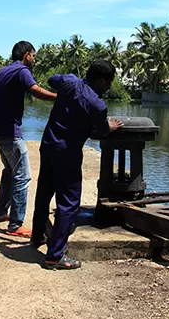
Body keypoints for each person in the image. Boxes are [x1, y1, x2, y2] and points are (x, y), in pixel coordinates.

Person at [31, 60, 123, 269]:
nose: (109, 87)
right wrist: (109, 126)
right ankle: (55, 255)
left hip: (48, 145)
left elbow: (52, 79)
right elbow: (99, 132)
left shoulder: (69, 83)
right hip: (68, 152)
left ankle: (38, 237)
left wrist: (70, 80)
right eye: (109, 82)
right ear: (101, 80)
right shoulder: (98, 105)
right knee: (69, 202)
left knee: (44, 192)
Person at [0, 41, 56, 238]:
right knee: (23, 175)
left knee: (9, 171)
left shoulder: (1, 72)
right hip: (8, 131)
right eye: (34, 55)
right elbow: (36, 91)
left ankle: (0, 212)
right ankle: (15, 224)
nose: (35, 60)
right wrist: (59, 96)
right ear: (26, 55)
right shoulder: (22, 71)